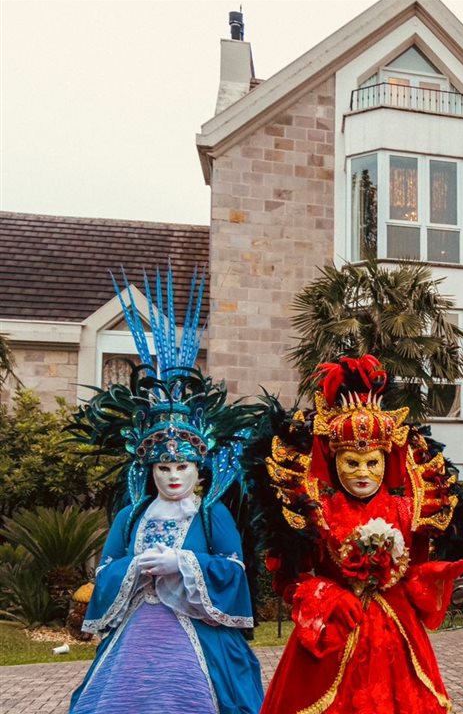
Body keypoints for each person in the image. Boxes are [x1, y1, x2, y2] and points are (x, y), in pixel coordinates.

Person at [69, 269, 263, 714]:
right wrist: (134, 569)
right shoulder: (131, 517)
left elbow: (235, 571)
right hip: (135, 635)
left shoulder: (214, 515)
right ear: (150, 470)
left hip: (200, 636)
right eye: (163, 467)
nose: (173, 476)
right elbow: (105, 574)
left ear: (199, 469)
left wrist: (184, 562)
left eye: (182, 466)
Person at [257, 355, 463, 714]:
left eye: (372, 462)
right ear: (335, 461)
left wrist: (427, 575)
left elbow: (415, 571)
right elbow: (293, 577)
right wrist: (327, 596)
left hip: (396, 634)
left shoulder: (406, 510)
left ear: (386, 461)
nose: (363, 472)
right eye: (352, 462)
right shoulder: (318, 510)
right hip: (337, 628)